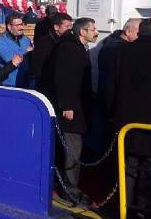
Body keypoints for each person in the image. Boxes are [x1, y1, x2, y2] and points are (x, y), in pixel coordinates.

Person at [40, 17, 98, 201]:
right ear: (83, 32)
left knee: (71, 148)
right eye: (93, 29)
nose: (96, 32)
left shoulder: (76, 47)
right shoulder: (69, 48)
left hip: (78, 105)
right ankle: (70, 190)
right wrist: (67, 106)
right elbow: (64, 78)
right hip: (71, 108)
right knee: (73, 149)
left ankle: (67, 185)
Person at [111, 18, 151, 216]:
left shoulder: (121, 51)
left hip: (127, 123)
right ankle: (148, 210)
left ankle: (124, 208)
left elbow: (111, 87)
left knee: (128, 168)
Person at [97, 18, 140, 114]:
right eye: (139, 33)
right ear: (128, 32)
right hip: (112, 100)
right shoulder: (116, 48)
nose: (141, 36)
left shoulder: (113, 43)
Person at [31, 13, 73, 87]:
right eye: (67, 26)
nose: (70, 29)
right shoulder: (44, 43)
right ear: (56, 27)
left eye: (71, 26)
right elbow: (38, 66)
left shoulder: (69, 40)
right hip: (47, 83)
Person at [0, 12, 33, 88]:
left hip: (26, 82)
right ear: (9, 26)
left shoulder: (26, 39)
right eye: (17, 25)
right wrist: (27, 51)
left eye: (21, 24)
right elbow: (12, 59)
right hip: (9, 83)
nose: (21, 27)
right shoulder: (0, 41)